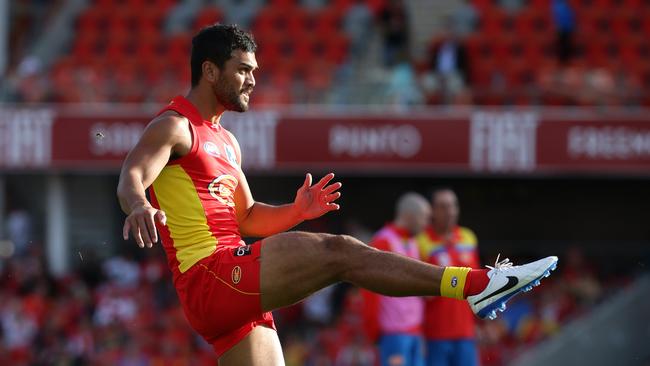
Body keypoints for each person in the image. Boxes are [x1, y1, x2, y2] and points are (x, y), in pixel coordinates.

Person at [116, 24, 558, 366]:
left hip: (231, 285)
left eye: (255, 71)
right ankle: (476, 285)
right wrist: (138, 204)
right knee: (340, 252)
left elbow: (247, 217)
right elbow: (132, 173)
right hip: (212, 277)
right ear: (210, 70)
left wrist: (297, 210)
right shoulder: (174, 126)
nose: (252, 80)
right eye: (243, 70)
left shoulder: (226, 141)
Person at [363, 192, 431, 366]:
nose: (426, 224)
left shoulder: (414, 242)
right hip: (393, 335)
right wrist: (373, 330)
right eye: (424, 218)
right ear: (409, 216)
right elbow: (369, 289)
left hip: (415, 332)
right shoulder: (383, 242)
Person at [417, 188, 480, 366]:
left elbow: (476, 286)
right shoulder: (421, 241)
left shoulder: (468, 238)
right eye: (443, 207)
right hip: (434, 334)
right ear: (432, 211)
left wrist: (481, 324)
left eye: (453, 206)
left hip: (466, 333)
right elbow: (418, 290)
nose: (450, 212)